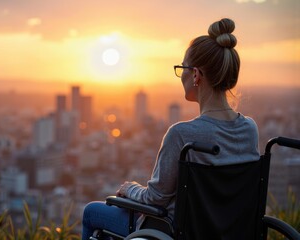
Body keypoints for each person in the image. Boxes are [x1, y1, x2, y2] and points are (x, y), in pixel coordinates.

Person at [81, 18, 260, 240]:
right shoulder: (249, 129)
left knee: (91, 212)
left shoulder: (182, 135)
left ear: (195, 75)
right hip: (230, 232)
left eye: (182, 68)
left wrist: (130, 188)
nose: (181, 75)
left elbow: (155, 199)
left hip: (173, 232)